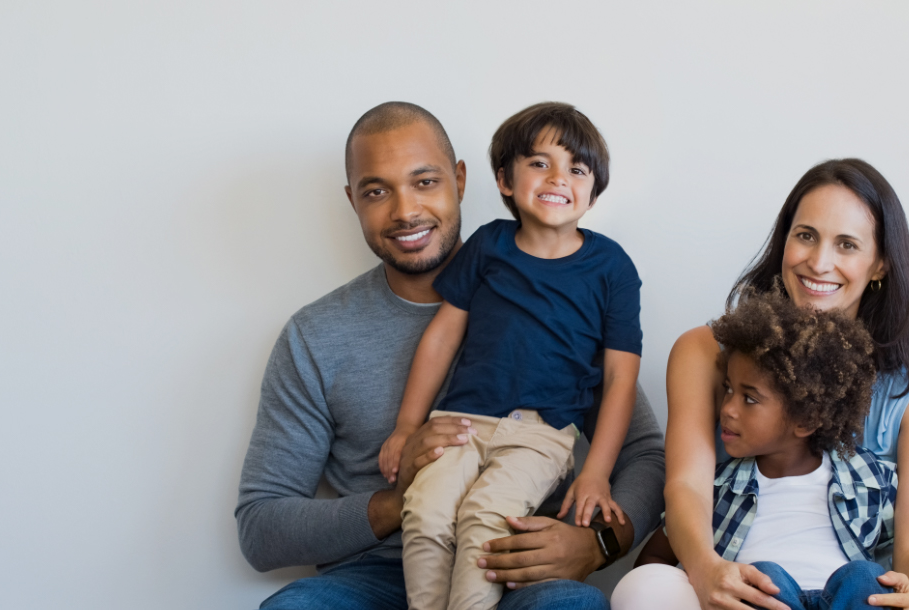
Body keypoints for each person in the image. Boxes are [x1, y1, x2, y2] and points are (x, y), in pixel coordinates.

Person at [235, 101, 667, 610]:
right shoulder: (315, 336)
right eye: (377, 191)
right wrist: (400, 503)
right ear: (353, 201)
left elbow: (645, 455)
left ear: (460, 180)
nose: (404, 211)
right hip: (369, 576)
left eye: (424, 182)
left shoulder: (564, 294)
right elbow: (261, 527)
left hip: (515, 570)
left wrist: (595, 545)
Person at [610, 159, 909, 610]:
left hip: (856, 596)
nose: (819, 262)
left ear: (881, 264)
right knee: (645, 587)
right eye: (806, 235)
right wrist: (707, 569)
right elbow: (687, 487)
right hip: (741, 590)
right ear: (784, 239)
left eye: (846, 244)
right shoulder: (705, 350)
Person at [377, 102, 642, 610]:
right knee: (426, 510)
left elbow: (620, 379)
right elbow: (441, 337)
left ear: (592, 192)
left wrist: (596, 472)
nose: (558, 177)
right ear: (504, 179)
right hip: (459, 422)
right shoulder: (488, 245)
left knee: (486, 519)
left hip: (539, 435)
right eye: (540, 163)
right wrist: (408, 425)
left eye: (577, 169)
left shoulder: (611, 266)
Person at [625, 290, 896, 610]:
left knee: (867, 576)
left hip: (843, 601)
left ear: (807, 420)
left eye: (749, 399)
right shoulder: (717, 490)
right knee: (763, 577)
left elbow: (904, 554)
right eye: (728, 389)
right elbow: (655, 556)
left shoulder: (870, 477)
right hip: (766, 599)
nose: (727, 409)